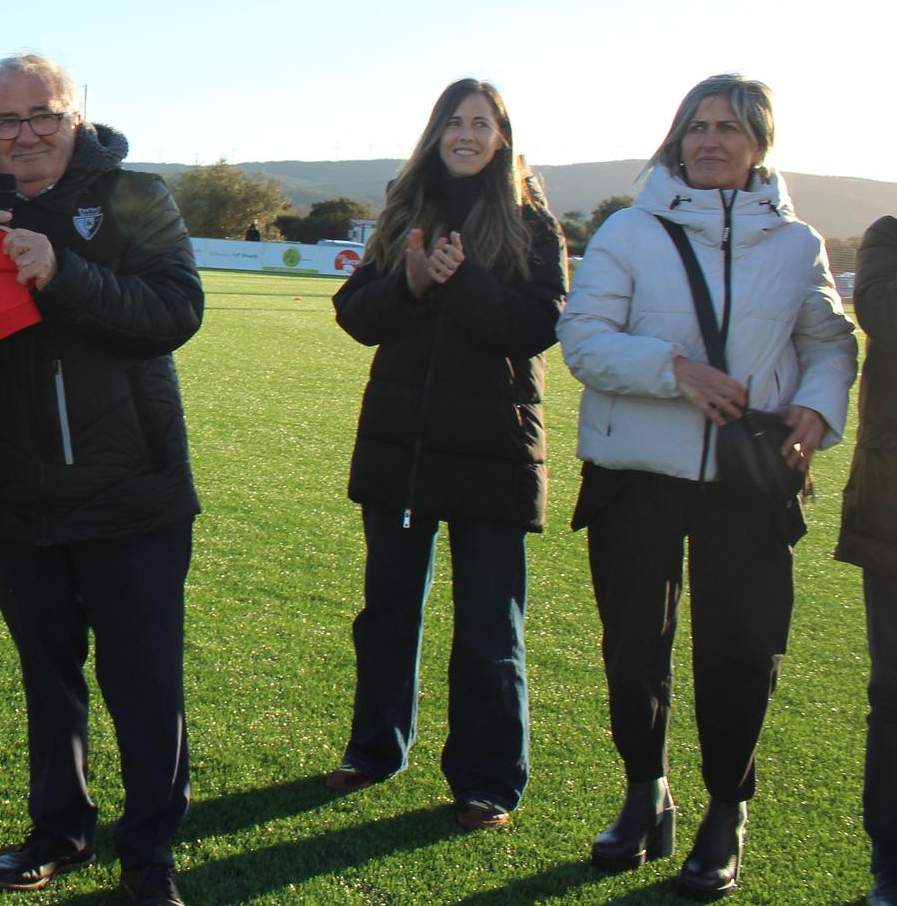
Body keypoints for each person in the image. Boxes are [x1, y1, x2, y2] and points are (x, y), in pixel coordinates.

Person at [559, 73, 856, 897]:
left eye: (729, 127)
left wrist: (815, 409)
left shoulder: (798, 244)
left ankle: (727, 807)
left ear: (760, 143)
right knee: (632, 649)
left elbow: (831, 342)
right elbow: (581, 338)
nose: (711, 140)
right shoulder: (628, 228)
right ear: (675, 138)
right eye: (696, 126)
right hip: (635, 476)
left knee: (742, 648)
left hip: (750, 478)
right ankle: (643, 789)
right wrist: (674, 371)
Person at [0, 52, 203, 906]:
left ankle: (150, 852)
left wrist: (62, 271)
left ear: (77, 117)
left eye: (42, 114)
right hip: (15, 492)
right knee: (49, 680)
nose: (26, 134)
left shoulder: (135, 196)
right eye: (6, 121)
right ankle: (60, 827)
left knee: (145, 681)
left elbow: (174, 313)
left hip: (133, 493)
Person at [321, 79, 567, 832]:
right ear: (436, 132)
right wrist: (412, 283)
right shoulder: (403, 213)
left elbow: (537, 324)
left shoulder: (532, 225)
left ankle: (487, 779)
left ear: (502, 137)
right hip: (403, 450)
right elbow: (356, 315)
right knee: (387, 612)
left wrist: (459, 283)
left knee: (491, 628)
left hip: (493, 452)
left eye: (480, 123)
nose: (466, 134)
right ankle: (375, 748)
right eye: (454, 122)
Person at [838, 213, 897, 906]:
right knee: (896, 694)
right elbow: (886, 314)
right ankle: (895, 864)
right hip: (895, 512)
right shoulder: (890, 237)